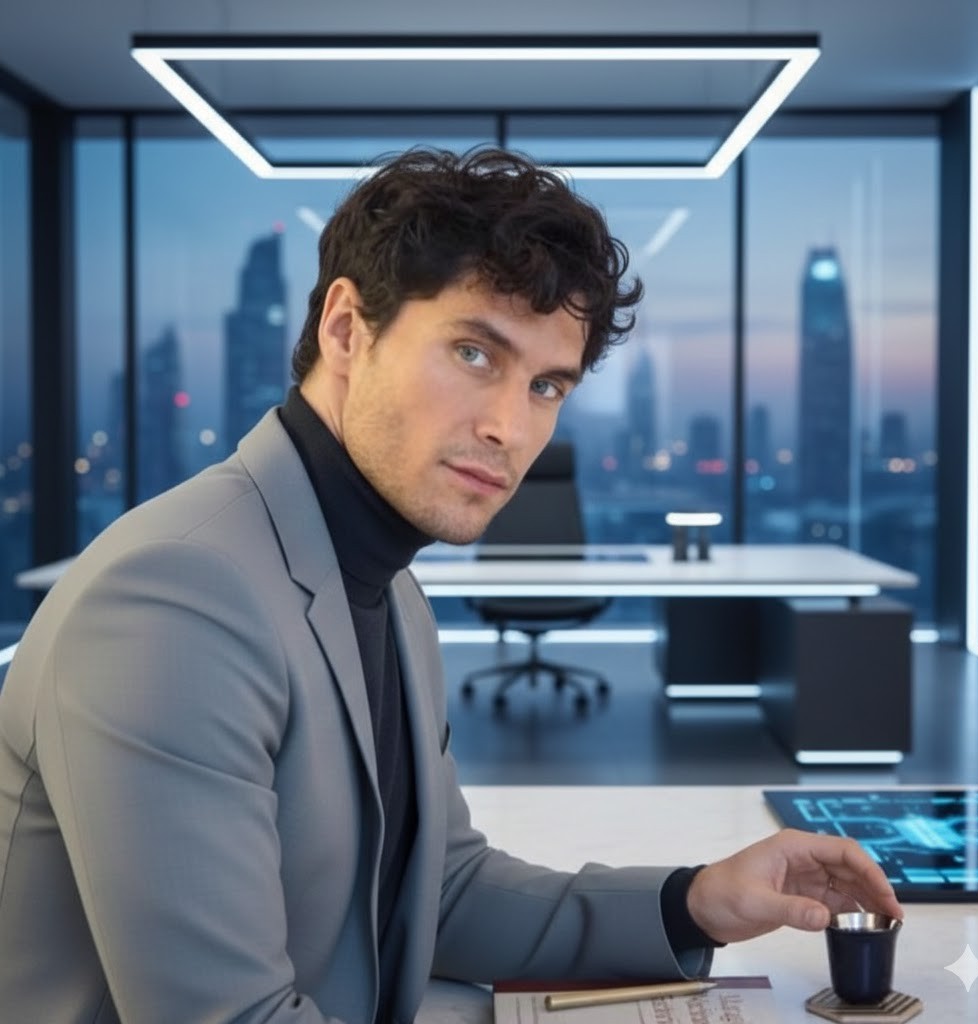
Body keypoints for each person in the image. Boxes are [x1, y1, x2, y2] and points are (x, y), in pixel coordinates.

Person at [0, 147, 902, 1024]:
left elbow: (440, 891)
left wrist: (695, 903)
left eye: (547, 385)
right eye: (474, 353)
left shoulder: (386, 587)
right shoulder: (177, 598)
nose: (510, 425)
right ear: (347, 330)